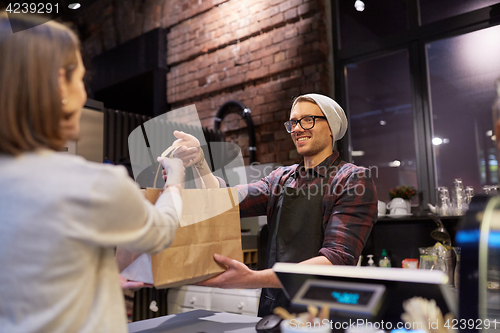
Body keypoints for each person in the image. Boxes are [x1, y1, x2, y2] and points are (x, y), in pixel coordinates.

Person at [0, 13, 184, 333]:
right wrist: (177, 182)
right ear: (60, 83)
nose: (85, 94)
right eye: (81, 80)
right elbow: (162, 232)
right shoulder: (91, 184)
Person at [166, 93, 378, 316]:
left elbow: (337, 260)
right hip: (274, 309)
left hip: (323, 313)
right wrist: (200, 163)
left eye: (308, 120)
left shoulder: (352, 179)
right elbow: (225, 201)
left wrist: (253, 278)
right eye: (293, 122)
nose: (296, 129)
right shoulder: (280, 179)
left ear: (331, 128)